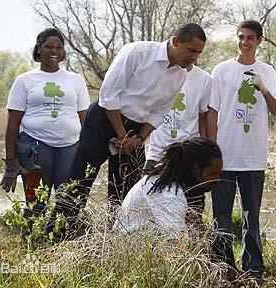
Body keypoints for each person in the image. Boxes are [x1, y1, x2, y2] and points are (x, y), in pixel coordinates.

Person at [56, 23, 207, 220]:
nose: (194, 57)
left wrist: (140, 138)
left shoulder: (180, 74)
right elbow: (109, 95)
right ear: (176, 41)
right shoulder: (138, 52)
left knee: (128, 190)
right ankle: (58, 234)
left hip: (136, 131)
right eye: (191, 50)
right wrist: (121, 134)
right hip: (104, 119)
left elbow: (160, 112)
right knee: (79, 181)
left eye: (199, 53)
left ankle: (114, 239)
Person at [207, 20, 276, 284]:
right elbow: (212, 111)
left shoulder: (268, 71)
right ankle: (222, 266)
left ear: (259, 40)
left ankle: (253, 268)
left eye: (250, 38)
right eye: (241, 37)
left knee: (252, 215)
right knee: (221, 215)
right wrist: (212, 150)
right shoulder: (222, 70)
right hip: (224, 157)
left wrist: (263, 88)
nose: (244, 42)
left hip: (253, 158)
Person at [0, 28, 90, 220]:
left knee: (67, 202)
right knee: (36, 203)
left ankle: (60, 246)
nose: (54, 51)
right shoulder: (25, 80)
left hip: (70, 148)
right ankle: (32, 244)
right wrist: (10, 163)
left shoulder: (76, 80)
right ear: (39, 49)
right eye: (48, 46)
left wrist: (88, 152)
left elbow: (85, 119)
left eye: (59, 47)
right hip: (35, 149)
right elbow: (13, 122)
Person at [143, 63, 212, 230]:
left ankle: (190, 253)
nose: (192, 55)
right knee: (151, 213)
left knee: (192, 215)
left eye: (196, 51)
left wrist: (204, 152)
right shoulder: (158, 73)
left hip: (189, 157)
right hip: (158, 155)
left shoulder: (204, 79)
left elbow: (203, 117)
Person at [114, 137, 222, 237]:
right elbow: (178, 245)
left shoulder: (172, 182)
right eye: (212, 174)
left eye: (219, 174)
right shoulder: (168, 193)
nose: (217, 179)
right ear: (196, 169)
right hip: (131, 245)